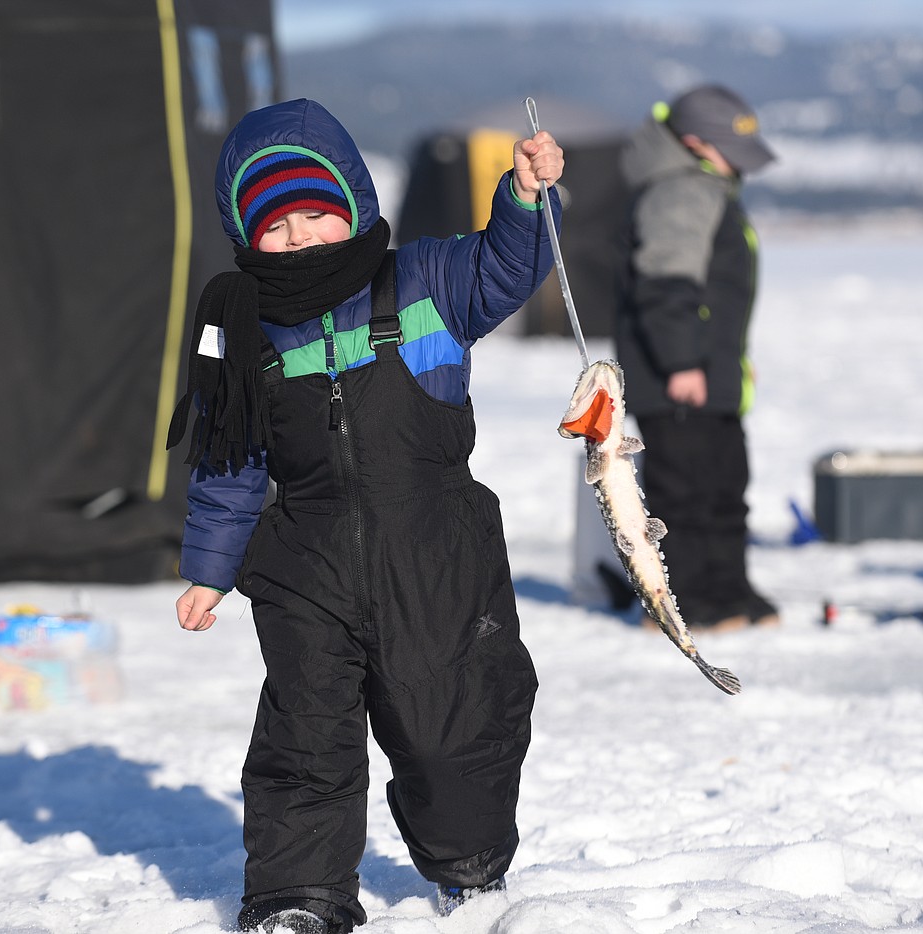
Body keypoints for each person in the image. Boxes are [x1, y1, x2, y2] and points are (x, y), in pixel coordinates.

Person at [166, 98, 563, 934]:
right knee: (303, 737)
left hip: (436, 551)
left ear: (352, 203)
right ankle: (296, 895)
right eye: (278, 224)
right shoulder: (244, 327)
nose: (301, 235)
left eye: (316, 213)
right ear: (246, 231)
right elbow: (230, 459)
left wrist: (524, 200)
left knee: (448, 727)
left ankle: (468, 863)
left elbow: (502, 268)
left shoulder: (425, 280)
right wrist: (208, 567)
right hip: (305, 563)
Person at [615, 84, 778, 631]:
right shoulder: (680, 192)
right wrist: (683, 361)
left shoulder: (706, 188)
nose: (740, 167)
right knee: (685, 493)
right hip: (680, 379)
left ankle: (728, 589)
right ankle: (686, 600)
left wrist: (727, 361)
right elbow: (667, 284)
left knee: (725, 484)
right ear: (694, 144)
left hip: (713, 373)